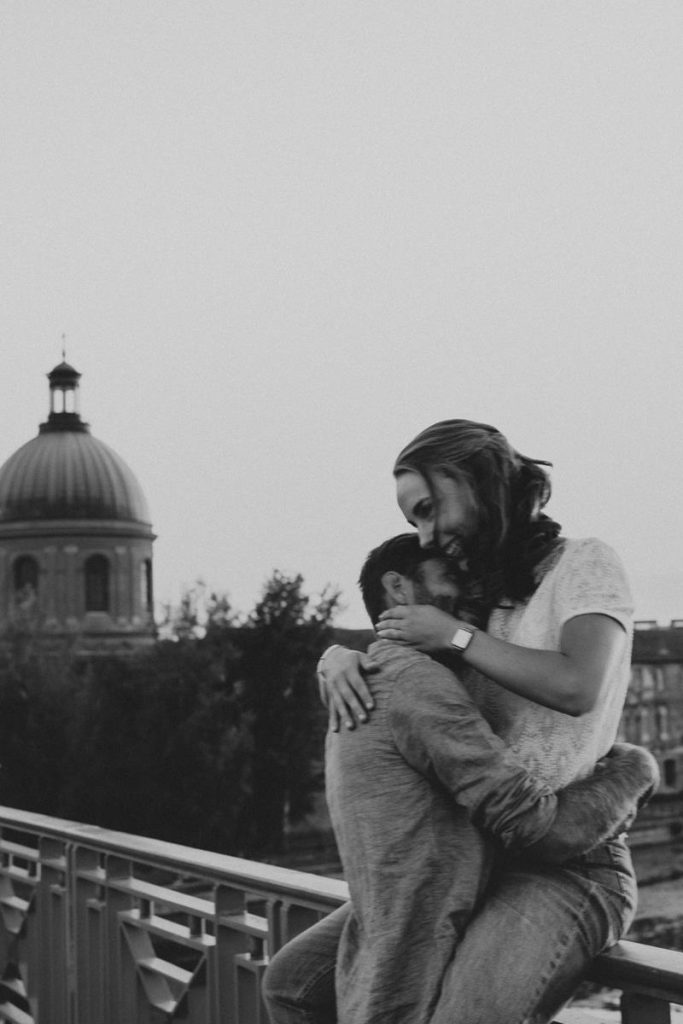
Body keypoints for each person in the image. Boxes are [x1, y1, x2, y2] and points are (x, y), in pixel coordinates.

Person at [264, 420, 644, 1024]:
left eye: (427, 508)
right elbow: (419, 689)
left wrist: (457, 635)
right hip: (468, 857)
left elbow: (578, 686)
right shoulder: (476, 594)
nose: (426, 532)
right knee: (291, 985)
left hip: (567, 861)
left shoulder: (585, 564)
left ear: (475, 478)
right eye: (414, 520)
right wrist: (338, 658)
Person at [317, 534, 657, 1024]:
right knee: (298, 983)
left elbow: (577, 688)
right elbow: (539, 828)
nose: (468, 596)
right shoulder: (411, 676)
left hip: (549, 866)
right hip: (523, 855)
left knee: (294, 986)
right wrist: (638, 770)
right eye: (451, 579)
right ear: (398, 588)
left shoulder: (409, 667)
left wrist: (340, 655)